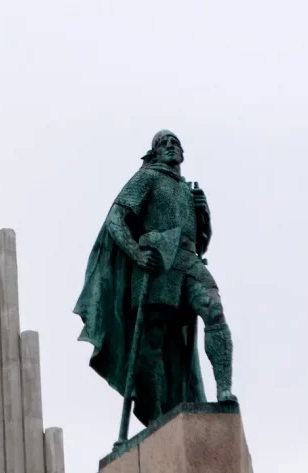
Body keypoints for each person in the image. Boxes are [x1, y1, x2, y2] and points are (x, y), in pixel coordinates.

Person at [72, 130, 237, 427]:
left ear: (183, 154)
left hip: (187, 260)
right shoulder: (147, 177)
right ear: (154, 153)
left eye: (175, 142)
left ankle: (224, 388)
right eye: (163, 143)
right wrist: (136, 254)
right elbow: (115, 219)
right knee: (153, 341)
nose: (170, 146)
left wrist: (205, 217)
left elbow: (200, 242)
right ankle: (156, 416)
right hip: (157, 262)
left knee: (213, 309)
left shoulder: (189, 190)